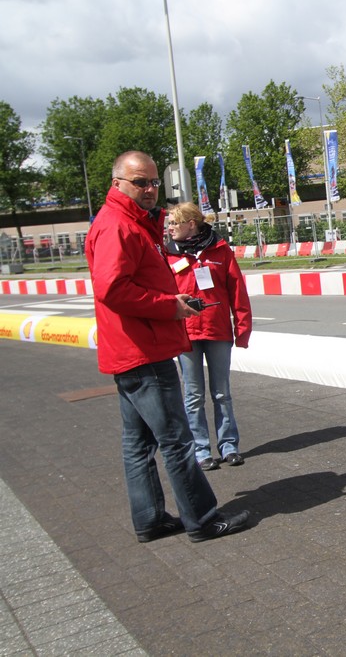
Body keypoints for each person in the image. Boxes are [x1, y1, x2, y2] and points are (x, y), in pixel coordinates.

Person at [85, 150, 250, 543]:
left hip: (133, 348)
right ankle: (202, 520)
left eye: (154, 181)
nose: (149, 189)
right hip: (145, 350)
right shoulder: (118, 226)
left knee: (138, 443)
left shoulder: (130, 222)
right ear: (117, 184)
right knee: (176, 440)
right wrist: (169, 307)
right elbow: (113, 289)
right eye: (139, 182)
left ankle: (150, 519)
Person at [166, 202, 253, 471]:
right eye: (169, 224)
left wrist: (242, 329)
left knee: (222, 393)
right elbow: (163, 295)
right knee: (193, 396)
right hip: (186, 333)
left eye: (175, 223)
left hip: (217, 330)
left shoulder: (220, 250)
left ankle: (229, 446)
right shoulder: (167, 254)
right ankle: (201, 450)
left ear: (191, 224)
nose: (170, 228)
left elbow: (237, 290)